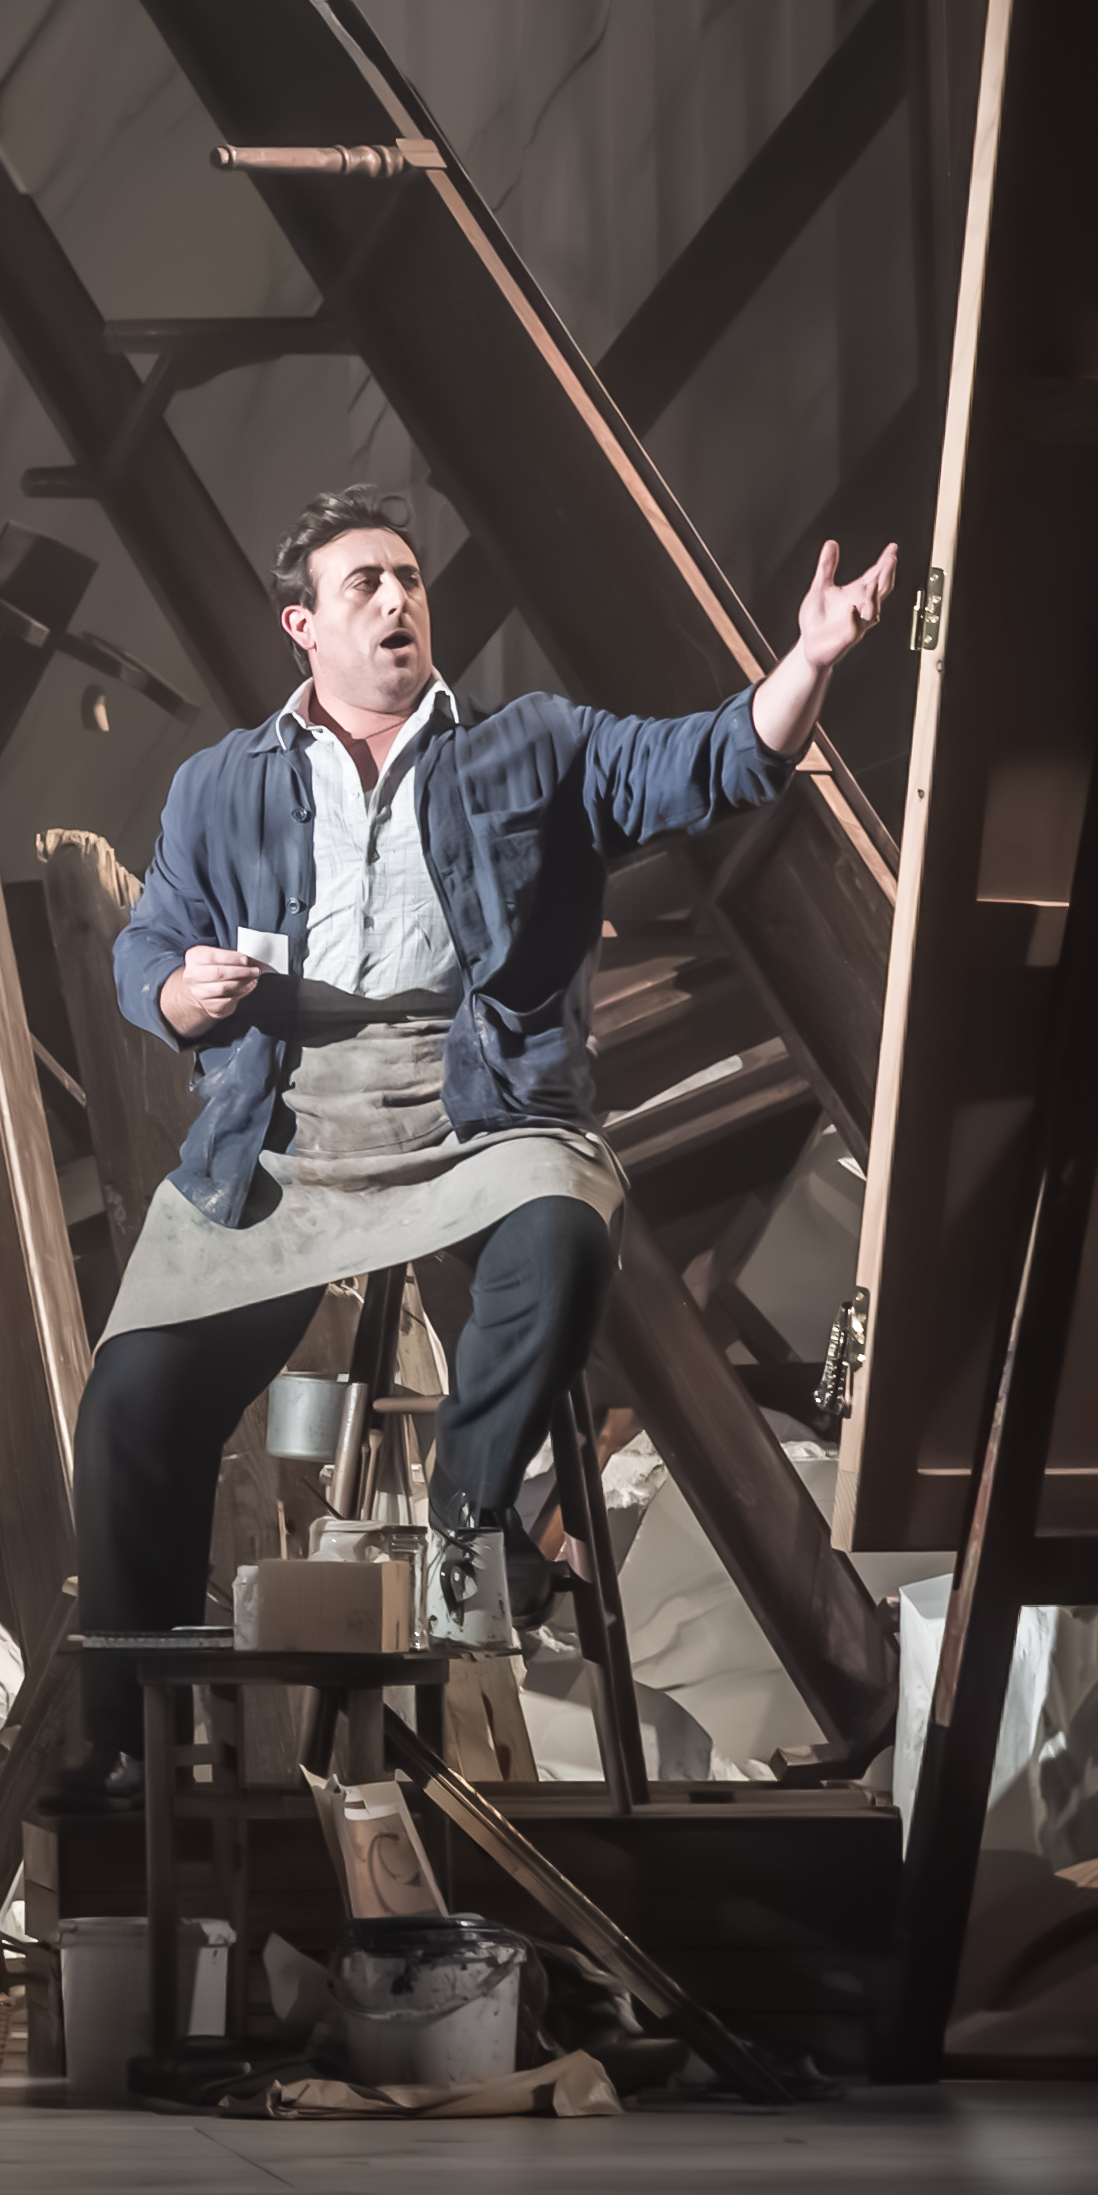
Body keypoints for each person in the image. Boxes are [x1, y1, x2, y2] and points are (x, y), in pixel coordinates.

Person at [67, 488, 897, 1798]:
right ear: (302, 624)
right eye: (362, 584)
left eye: (407, 577)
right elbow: (149, 939)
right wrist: (173, 994)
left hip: (480, 1114)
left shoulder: (528, 747)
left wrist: (804, 661)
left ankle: (460, 1531)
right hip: (284, 1139)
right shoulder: (221, 785)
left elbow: (709, 761)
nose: (397, 599)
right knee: (126, 1400)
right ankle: (132, 1744)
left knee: (562, 1222)